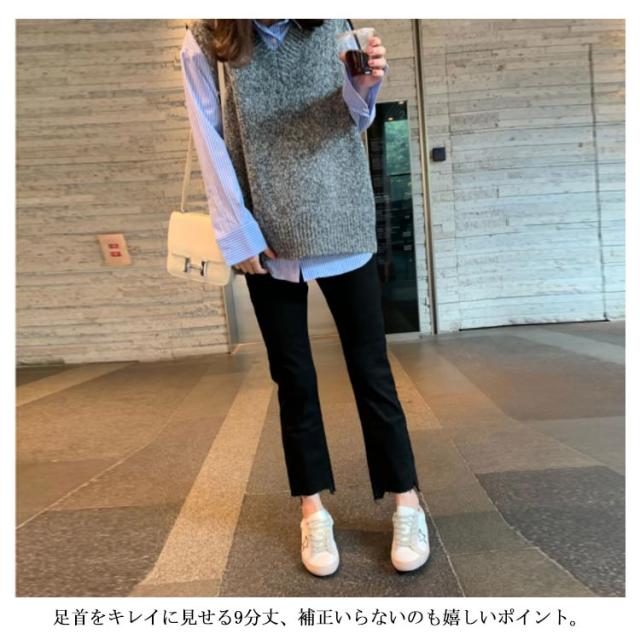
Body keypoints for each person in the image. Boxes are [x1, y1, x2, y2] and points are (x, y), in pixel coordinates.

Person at [179, 18, 430, 577]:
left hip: (342, 214)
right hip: (265, 234)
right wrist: (237, 231)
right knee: (293, 380)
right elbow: (208, 137)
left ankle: (407, 501)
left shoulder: (332, 22)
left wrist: (363, 87)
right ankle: (313, 509)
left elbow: (352, 120)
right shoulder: (207, 38)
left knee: (372, 371)